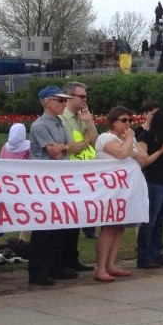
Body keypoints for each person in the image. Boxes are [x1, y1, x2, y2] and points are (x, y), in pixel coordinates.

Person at [27, 86, 76, 286]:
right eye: (60, 100)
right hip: (44, 182)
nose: (64, 104)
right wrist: (65, 147)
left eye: (65, 100)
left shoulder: (58, 123)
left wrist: (64, 147)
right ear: (48, 102)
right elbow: (54, 151)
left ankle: (55, 265)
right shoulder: (40, 125)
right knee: (43, 229)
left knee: (60, 226)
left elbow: (72, 146)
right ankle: (37, 270)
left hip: (59, 180)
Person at [93, 106, 141, 282]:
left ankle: (111, 264)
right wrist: (128, 139)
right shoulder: (105, 138)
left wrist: (131, 141)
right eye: (123, 120)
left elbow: (141, 158)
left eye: (130, 120)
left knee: (120, 227)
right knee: (109, 227)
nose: (127, 124)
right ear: (113, 121)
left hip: (123, 189)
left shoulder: (125, 139)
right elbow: (121, 153)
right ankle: (100, 268)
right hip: (108, 189)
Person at [136, 107, 163, 269]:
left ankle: (156, 253)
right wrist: (161, 151)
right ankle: (144, 256)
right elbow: (144, 161)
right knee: (150, 220)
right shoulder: (144, 136)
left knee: (160, 221)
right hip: (154, 181)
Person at [60, 81, 100, 255]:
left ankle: (72, 257)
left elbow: (96, 142)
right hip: (66, 175)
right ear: (69, 97)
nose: (85, 99)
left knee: (78, 217)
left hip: (83, 174)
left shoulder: (82, 117)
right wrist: (85, 139)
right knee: (66, 220)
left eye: (86, 96)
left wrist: (89, 122)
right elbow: (73, 146)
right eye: (81, 96)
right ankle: (65, 258)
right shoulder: (61, 119)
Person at [0, 123, 31, 244]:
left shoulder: (5, 147)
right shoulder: (28, 146)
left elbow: (2, 163)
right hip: (24, 183)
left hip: (9, 183)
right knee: (27, 209)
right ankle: (22, 237)